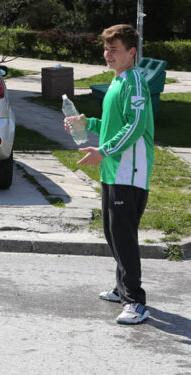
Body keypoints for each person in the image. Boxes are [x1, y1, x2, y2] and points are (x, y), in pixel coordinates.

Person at [64, 24, 154, 325]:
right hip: (114, 171)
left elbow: (136, 125)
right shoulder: (117, 82)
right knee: (113, 234)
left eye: (114, 50)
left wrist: (103, 151)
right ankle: (122, 288)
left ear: (131, 52)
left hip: (130, 172)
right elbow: (113, 124)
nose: (107, 54)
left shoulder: (135, 82)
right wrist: (86, 122)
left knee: (124, 237)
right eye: (106, 49)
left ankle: (136, 302)